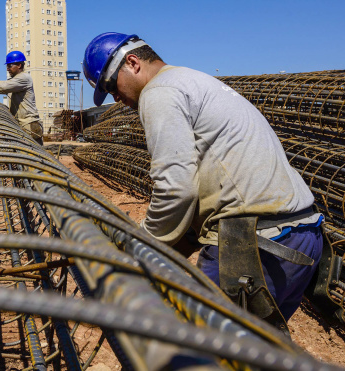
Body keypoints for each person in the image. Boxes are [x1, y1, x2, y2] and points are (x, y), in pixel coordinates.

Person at [82, 32, 323, 332]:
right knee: (255, 353)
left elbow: (176, 188)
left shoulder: (159, 92)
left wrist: (140, 247)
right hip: (302, 236)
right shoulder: (192, 80)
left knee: (207, 354)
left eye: (110, 86)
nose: (115, 98)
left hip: (252, 244)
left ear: (132, 63)